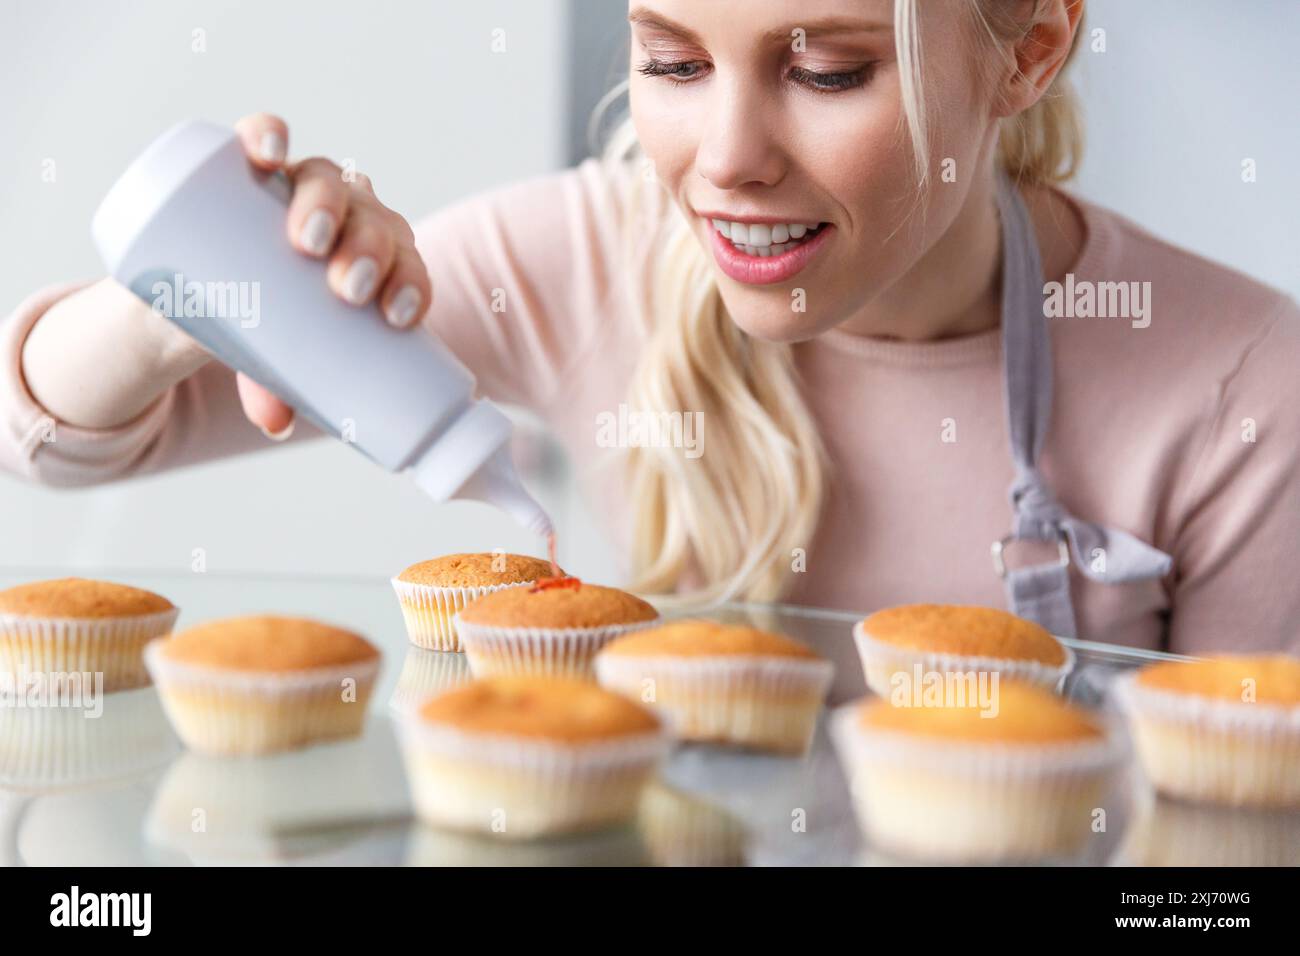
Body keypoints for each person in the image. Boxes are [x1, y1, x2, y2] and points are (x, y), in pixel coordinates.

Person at [3, 0, 1298, 653]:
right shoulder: (580, 258)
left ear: (1027, 48)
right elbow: (61, 437)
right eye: (674, 63)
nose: (727, 160)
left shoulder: (1246, 391)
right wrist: (196, 295)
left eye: (827, 71)